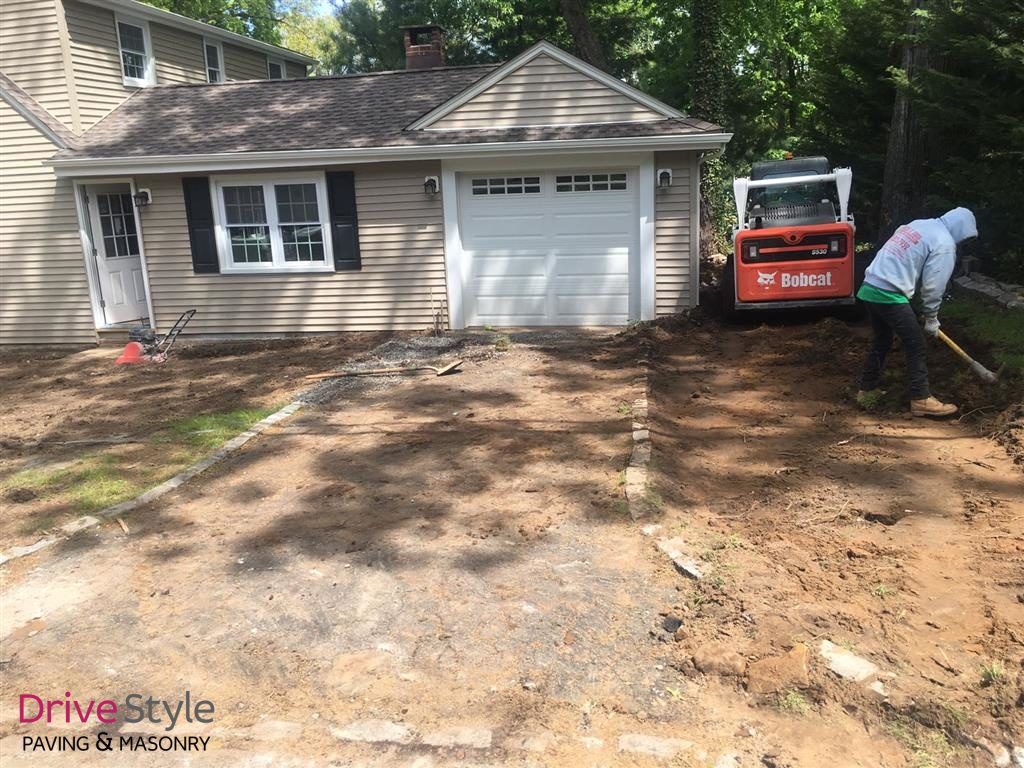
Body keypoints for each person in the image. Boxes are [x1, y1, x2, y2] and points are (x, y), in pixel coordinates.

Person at [856, 207, 978, 417]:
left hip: (870, 286)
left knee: (882, 340)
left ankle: (866, 390)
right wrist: (931, 318)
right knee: (916, 343)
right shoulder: (944, 243)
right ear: (961, 230)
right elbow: (933, 286)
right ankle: (921, 398)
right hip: (888, 293)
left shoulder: (919, 225)